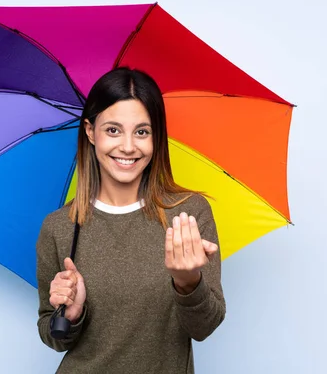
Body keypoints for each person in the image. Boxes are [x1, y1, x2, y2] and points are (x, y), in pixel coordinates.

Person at [36, 67, 226, 373]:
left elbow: (204, 327)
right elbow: (52, 333)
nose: (128, 146)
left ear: (156, 137)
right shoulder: (59, 227)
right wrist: (70, 315)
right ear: (89, 131)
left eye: (142, 131)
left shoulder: (188, 214)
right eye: (113, 130)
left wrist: (188, 282)